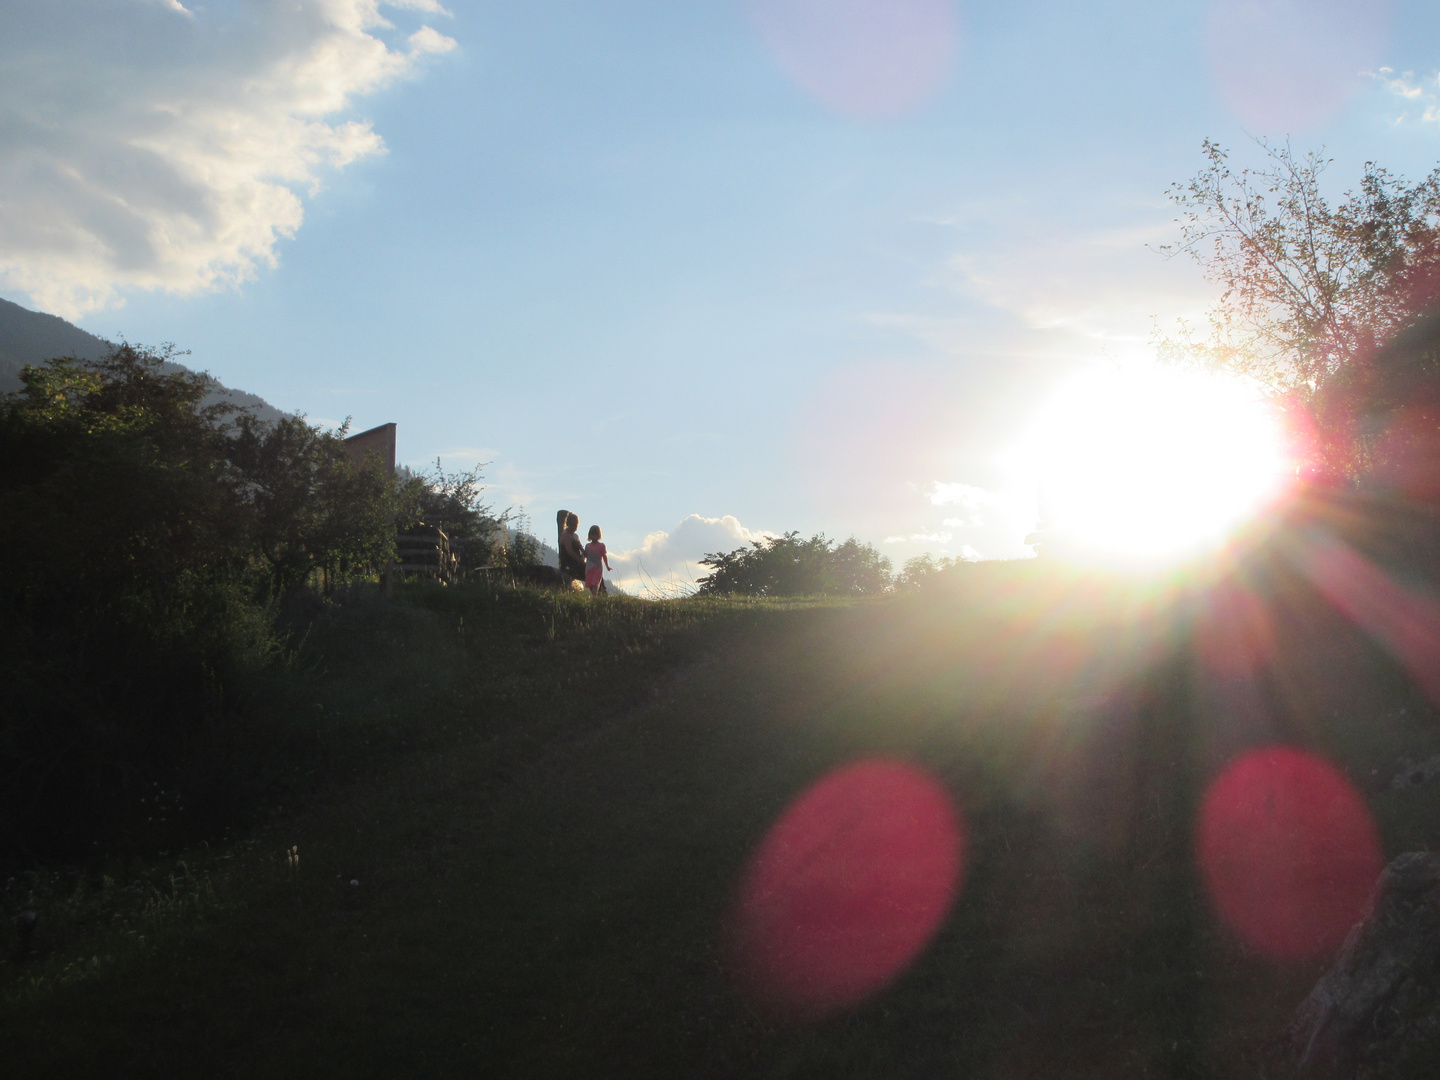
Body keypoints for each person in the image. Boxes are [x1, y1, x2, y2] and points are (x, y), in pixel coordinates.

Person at [557, 511, 586, 587]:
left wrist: (584, 556)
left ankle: (601, 592)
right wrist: (579, 560)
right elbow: (570, 552)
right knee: (588, 571)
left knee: (593, 569)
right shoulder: (565, 535)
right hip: (569, 563)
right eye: (572, 525)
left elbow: (582, 549)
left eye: (575, 525)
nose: (574, 527)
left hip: (577, 562)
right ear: (568, 524)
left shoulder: (576, 536)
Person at [584, 525, 611, 595]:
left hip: (597, 568)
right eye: (592, 534)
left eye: (595, 534)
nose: (594, 536)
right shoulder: (587, 546)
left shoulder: (601, 546)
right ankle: (595, 597)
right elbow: (585, 555)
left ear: (599, 535)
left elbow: (604, 556)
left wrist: (607, 566)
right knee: (590, 584)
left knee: (595, 584)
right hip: (589, 568)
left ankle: (595, 598)